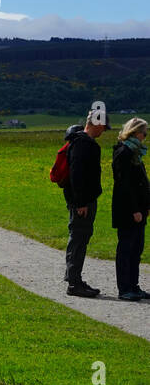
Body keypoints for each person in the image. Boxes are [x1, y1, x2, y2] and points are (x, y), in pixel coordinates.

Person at [64, 110, 107, 297]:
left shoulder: (82, 142)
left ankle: (76, 280)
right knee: (79, 239)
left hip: (85, 200)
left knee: (81, 238)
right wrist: (81, 202)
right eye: (103, 127)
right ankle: (73, 283)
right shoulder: (83, 144)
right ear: (96, 123)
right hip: (82, 203)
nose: (103, 131)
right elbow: (77, 175)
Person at [110, 117, 149, 301]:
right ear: (135, 132)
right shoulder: (124, 152)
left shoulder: (135, 152)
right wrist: (134, 209)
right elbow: (124, 185)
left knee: (136, 249)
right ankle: (124, 288)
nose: (145, 137)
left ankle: (134, 285)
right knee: (126, 249)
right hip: (128, 211)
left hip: (140, 209)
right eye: (144, 133)